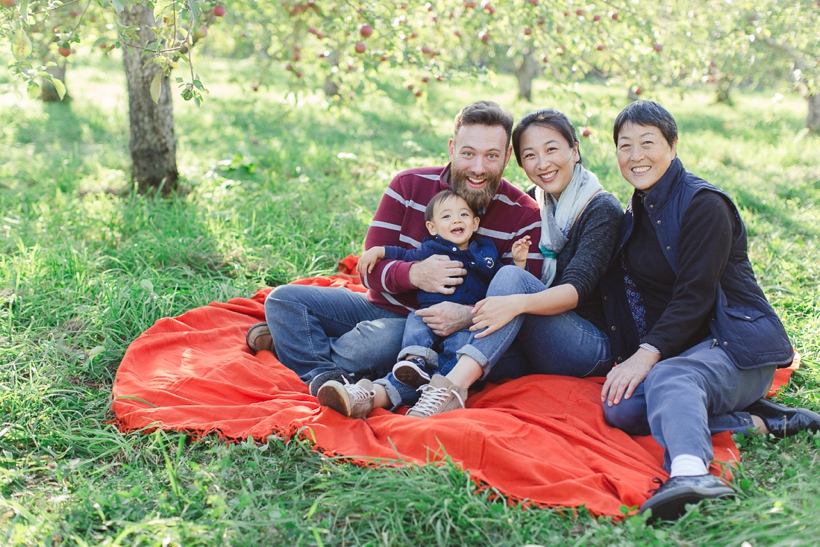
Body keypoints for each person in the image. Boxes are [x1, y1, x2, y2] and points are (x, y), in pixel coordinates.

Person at [597, 100, 820, 521]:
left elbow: (695, 297)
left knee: (669, 375)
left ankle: (690, 473)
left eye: (648, 142)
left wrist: (646, 355)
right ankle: (759, 421)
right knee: (621, 409)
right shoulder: (637, 211)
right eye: (624, 146)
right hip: (691, 348)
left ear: (673, 145)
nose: (635, 156)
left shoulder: (704, 205)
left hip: (737, 346)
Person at [322, 108, 622, 420]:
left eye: (552, 150)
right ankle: (374, 395)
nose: (542, 163)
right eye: (530, 155)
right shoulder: (541, 201)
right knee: (449, 347)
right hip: (529, 339)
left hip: (586, 345)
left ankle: (451, 389)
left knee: (509, 280)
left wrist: (510, 304)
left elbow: (575, 290)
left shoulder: (600, 208)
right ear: (517, 161)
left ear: (575, 150)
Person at [247, 101, 543, 397]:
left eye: (491, 156)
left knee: (376, 346)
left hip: (450, 330)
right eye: (468, 153)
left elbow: (516, 297)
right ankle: (323, 373)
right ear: (452, 149)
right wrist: (415, 274)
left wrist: (466, 315)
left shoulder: (524, 214)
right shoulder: (407, 185)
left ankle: (294, 343)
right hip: (380, 306)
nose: (478, 168)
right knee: (283, 300)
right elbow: (369, 273)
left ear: (506, 157)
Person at [316, 190, 531, 418]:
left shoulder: (484, 255)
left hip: (465, 326)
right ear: (432, 228)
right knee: (416, 321)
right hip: (428, 315)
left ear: (475, 223)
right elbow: (402, 254)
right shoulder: (430, 249)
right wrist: (377, 251)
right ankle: (414, 361)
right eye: (447, 217)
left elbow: (504, 284)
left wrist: (519, 263)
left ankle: (387, 393)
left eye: (463, 215)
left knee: (455, 353)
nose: (456, 220)